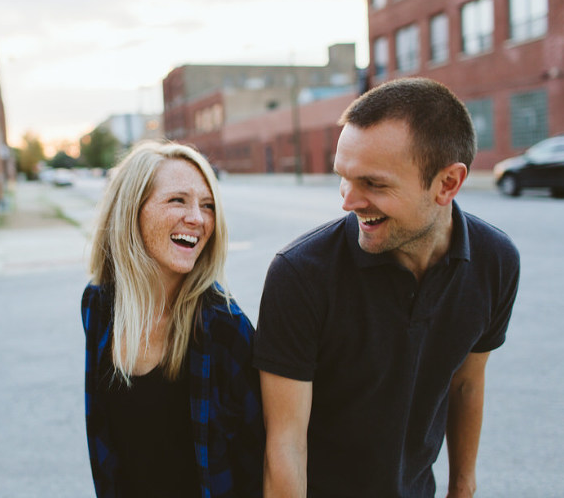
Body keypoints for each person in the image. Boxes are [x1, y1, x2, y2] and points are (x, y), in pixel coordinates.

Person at [253, 78, 520, 498]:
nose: (348, 201)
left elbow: (467, 383)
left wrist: (462, 489)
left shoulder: (496, 260)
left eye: (373, 184)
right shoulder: (301, 274)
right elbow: (286, 446)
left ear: (447, 184)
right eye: (344, 178)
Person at [81, 140, 264, 498]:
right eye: (178, 200)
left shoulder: (224, 327)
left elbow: (258, 461)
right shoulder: (99, 305)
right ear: (131, 210)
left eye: (207, 206)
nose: (198, 218)